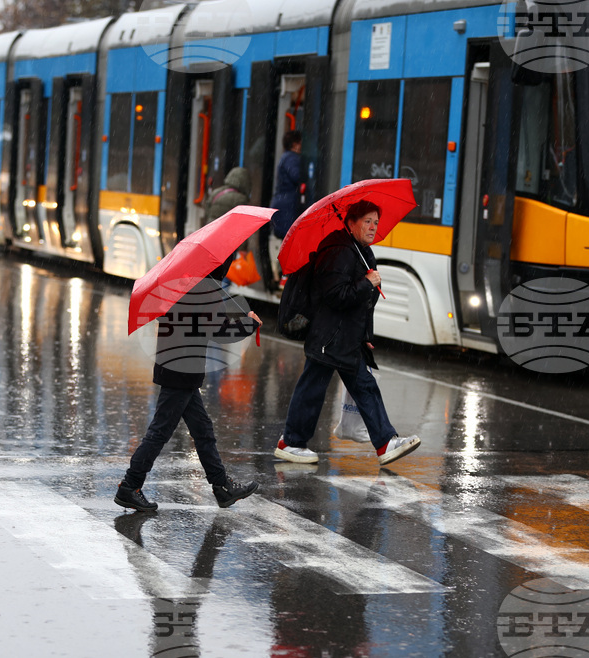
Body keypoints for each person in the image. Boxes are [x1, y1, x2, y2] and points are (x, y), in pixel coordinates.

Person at [273, 200, 420, 466]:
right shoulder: (339, 251)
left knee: (357, 386)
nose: (373, 227)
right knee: (314, 388)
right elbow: (334, 295)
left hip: (344, 337)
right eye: (367, 221)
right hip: (331, 337)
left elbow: (359, 303)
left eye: (376, 222)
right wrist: (366, 283)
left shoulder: (358, 250)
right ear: (350, 223)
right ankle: (291, 442)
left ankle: (384, 442)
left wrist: (365, 334)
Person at [115, 263, 262, 512]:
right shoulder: (205, 289)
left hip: (175, 366)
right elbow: (219, 330)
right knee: (160, 432)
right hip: (182, 371)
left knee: (203, 430)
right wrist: (249, 324)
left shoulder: (183, 282)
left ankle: (221, 486)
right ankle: (129, 486)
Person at [269, 130, 303, 240]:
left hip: (282, 205)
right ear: (295, 144)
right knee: (289, 241)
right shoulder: (292, 158)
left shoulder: (285, 157)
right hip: (287, 208)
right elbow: (297, 176)